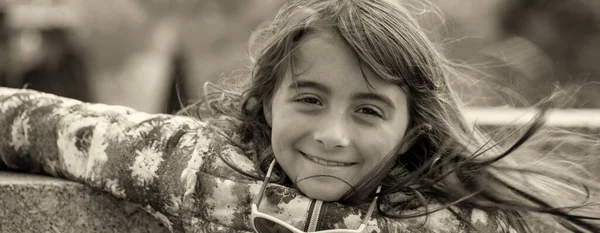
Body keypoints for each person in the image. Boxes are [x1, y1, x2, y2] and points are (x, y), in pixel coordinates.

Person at [1, 0, 599, 232]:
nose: (332, 135)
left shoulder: (454, 225)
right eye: (309, 99)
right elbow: (42, 123)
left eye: (369, 110)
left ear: (410, 128)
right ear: (264, 102)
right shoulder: (190, 166)